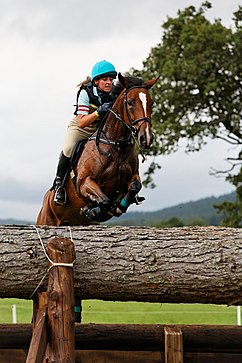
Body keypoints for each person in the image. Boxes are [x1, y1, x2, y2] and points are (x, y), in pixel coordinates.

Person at [53, 60, 118, 205]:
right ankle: (59, 186)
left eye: (111, 79)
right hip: (81, 127)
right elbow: (82, 122)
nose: (109, 83)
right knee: (69, 148)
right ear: (96, 81)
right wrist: (98, 112)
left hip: (100, 130)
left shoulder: (114, 93)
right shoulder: (85, 92)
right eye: (105, 79)